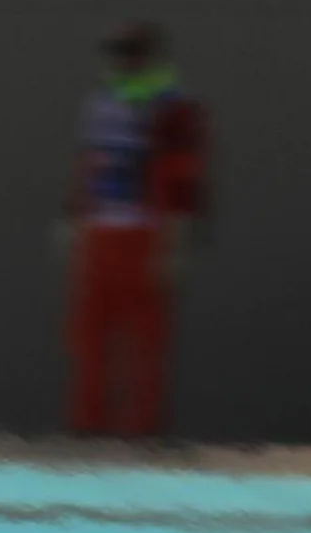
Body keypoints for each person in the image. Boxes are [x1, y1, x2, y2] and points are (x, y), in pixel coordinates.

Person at [64, 22, 206, 437]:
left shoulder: (173, 107)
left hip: (146, 231)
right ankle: (87, 423)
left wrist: (178, 233)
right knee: (90, 333)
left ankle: (141, 427)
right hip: (100, 227)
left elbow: (184, 173)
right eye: (119, 54)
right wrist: (72, 217)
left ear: (150, 59)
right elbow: (88, 161)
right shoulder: (101, 102)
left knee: (145, 337)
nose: (122, 63)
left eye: (131, 54)